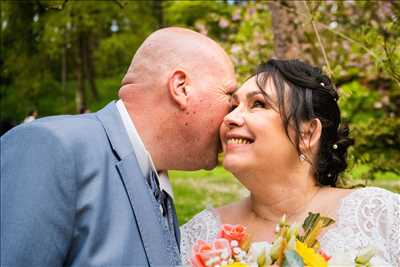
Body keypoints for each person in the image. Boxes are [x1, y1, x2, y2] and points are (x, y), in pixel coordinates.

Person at [1, 27, 236, 267]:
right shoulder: (49, 147)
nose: (234, 115)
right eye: (229, 96)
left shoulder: (158, 186)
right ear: (181, 87)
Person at [180, 59, 400, 266]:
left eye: (258, 104)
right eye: (233, 107)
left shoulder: (380, 214)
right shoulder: (200, 234)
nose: (230, 118)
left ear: (307, 133)